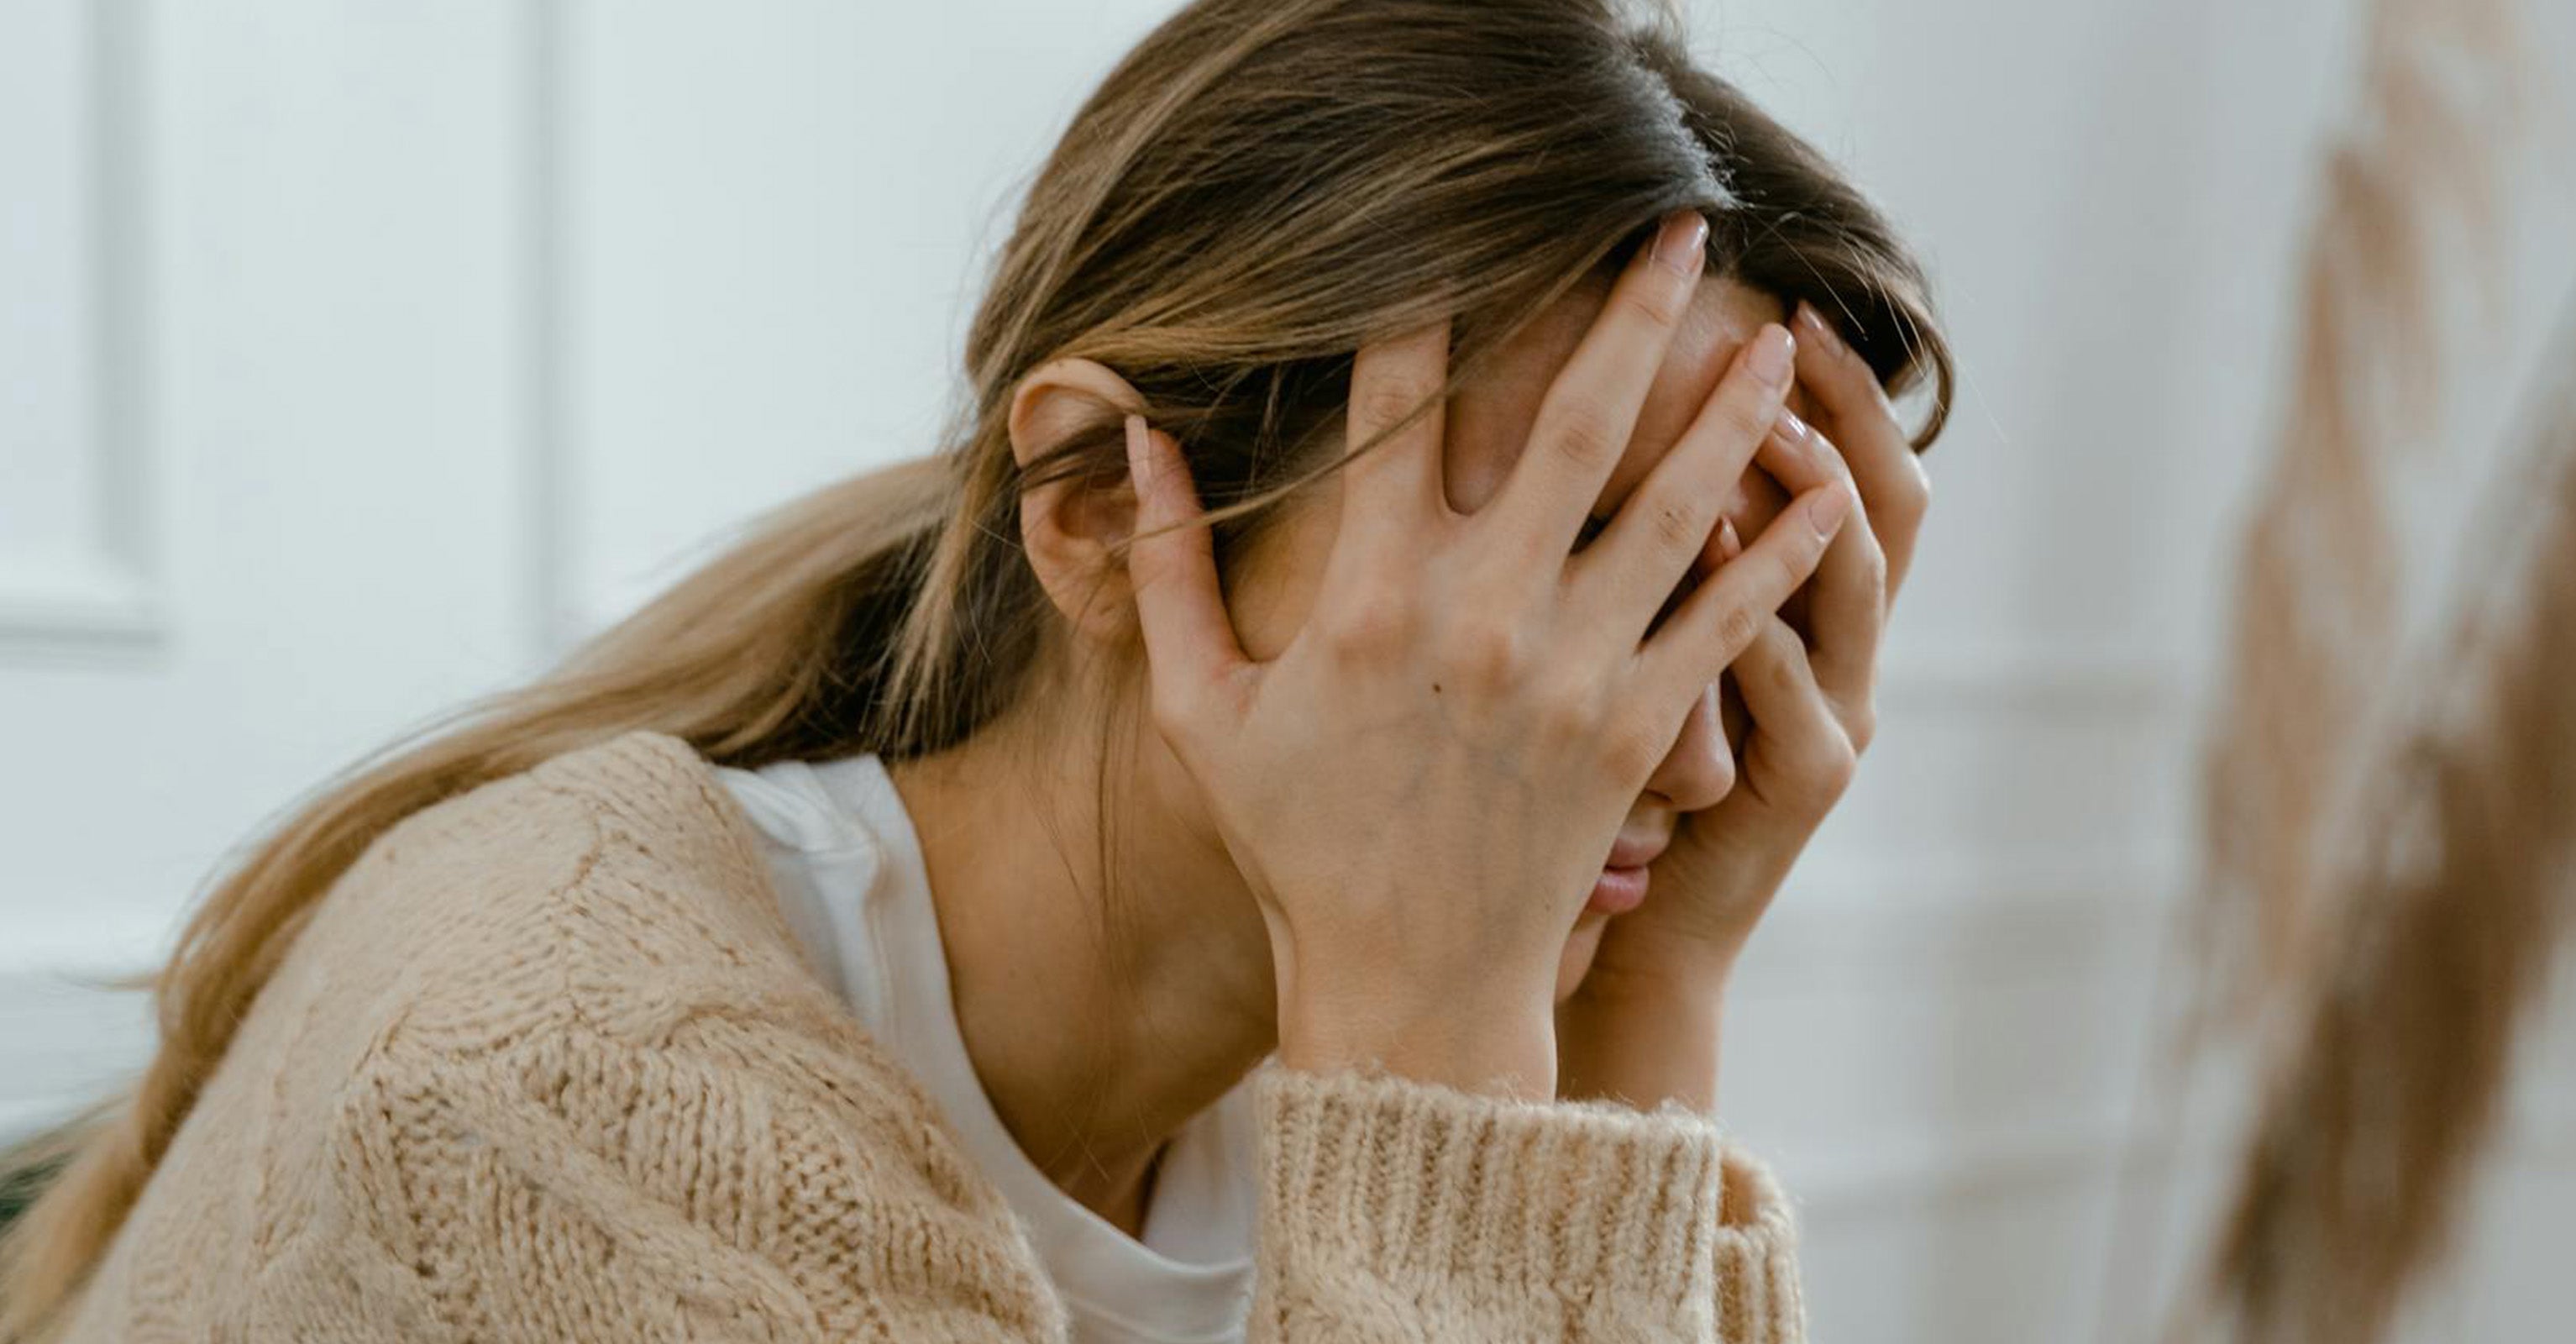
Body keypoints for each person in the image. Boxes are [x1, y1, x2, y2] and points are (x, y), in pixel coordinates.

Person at [0, 0, 1952, 1338]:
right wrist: (1467, 1075)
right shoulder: (569, 1083)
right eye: (1567, 566)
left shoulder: (1356, 1031)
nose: (1681, 739)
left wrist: (1651, 1003)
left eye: (1747, 596)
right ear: (1102, 503)